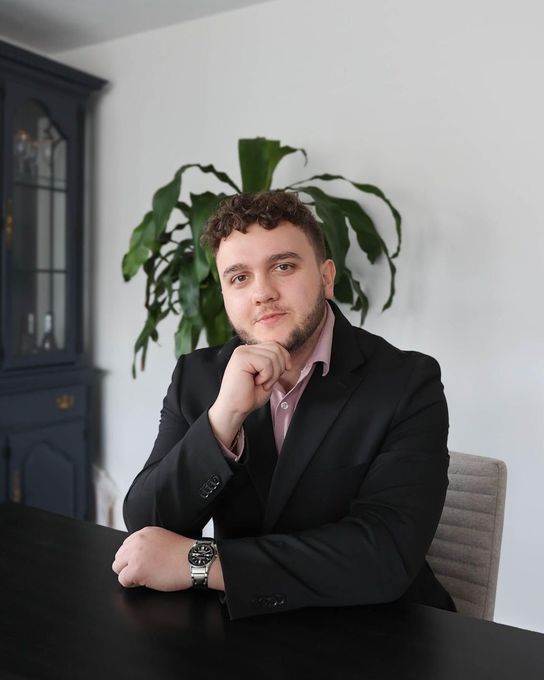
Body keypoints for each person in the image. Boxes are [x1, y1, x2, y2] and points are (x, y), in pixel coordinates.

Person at [113, 191, 455, 620]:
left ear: (327, 277)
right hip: (242, 633)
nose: (263, 293)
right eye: (239, 277)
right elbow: (147, 524)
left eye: (283, 266)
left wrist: (199, 561)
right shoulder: (197, 377)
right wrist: (223, 420)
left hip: (378, 632)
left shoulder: (408, 383)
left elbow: (384, 556)